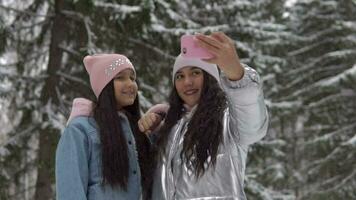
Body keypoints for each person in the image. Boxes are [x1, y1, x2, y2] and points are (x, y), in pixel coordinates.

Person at [138, 32, 269, 200]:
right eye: (180, 76)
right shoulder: (168, 130)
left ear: (209, 77)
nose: (187, 82)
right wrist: (151, 134)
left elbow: (253, 126)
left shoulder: (227, 121)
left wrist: (236, 73)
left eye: (195, 73)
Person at [56, 54, 153, 200]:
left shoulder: (138, 129)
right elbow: (70, 191)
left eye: (132, 78)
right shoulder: (80, 130)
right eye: (120, 78)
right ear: (104, 86)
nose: (130, 84)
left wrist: (160, 115)